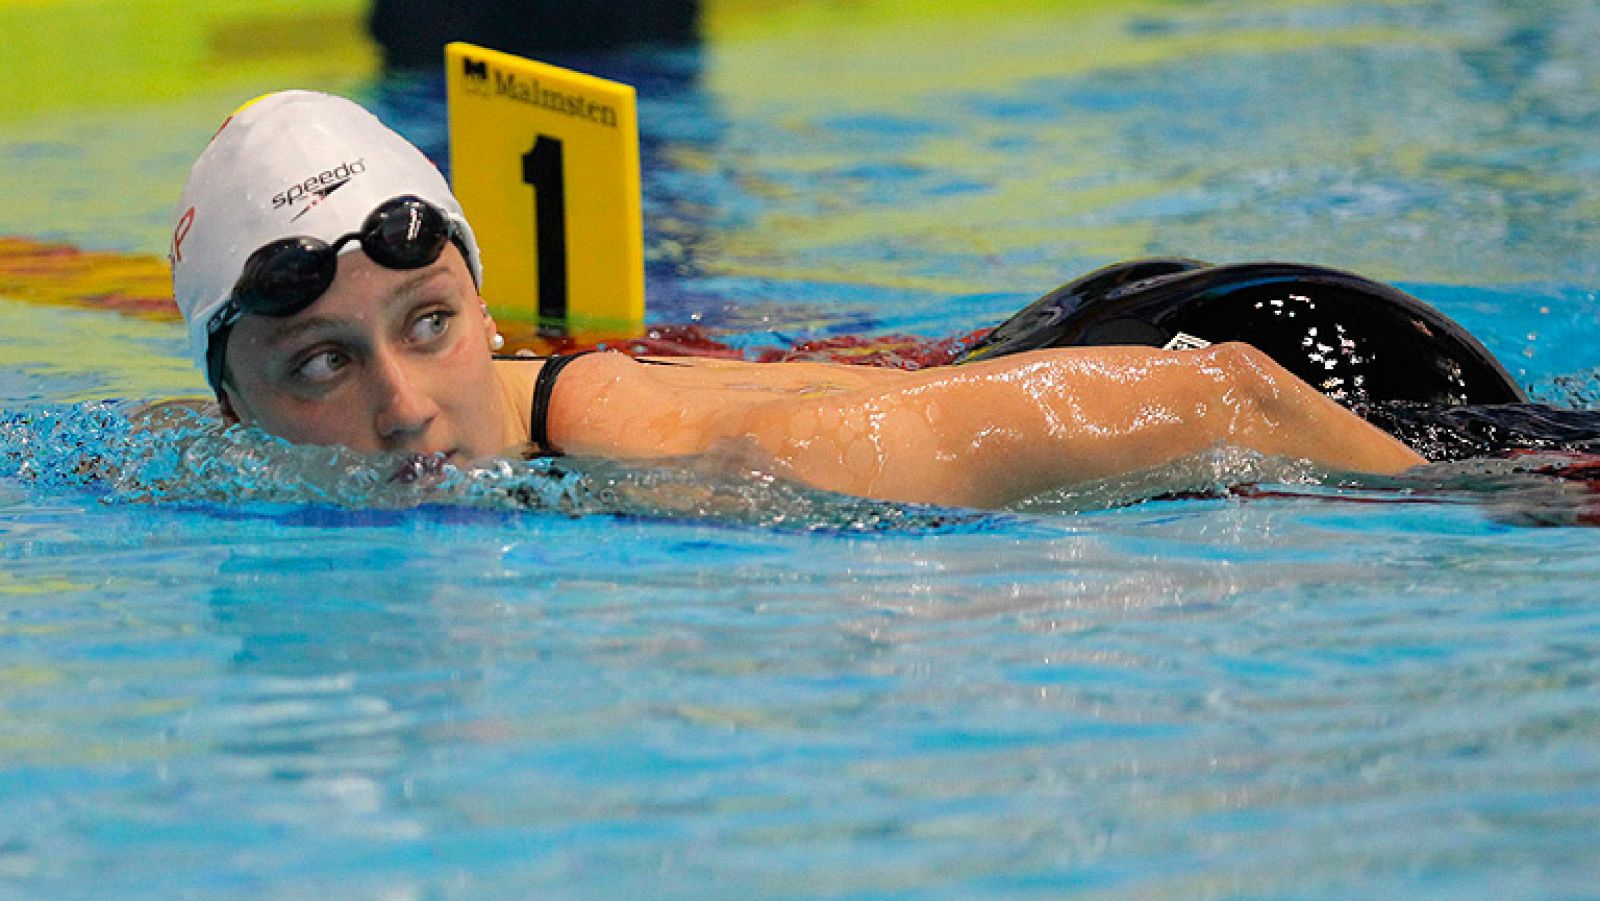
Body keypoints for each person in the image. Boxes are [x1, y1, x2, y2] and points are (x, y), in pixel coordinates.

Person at [168, 90, 1427, 509]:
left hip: (1306, 365)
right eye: (324, 366)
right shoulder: (205, 458)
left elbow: (1230, 396)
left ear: (485, 310)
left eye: (429, 322)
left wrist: (1470, 512)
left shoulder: (669, 451)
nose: (401, 408)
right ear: (235, 411)